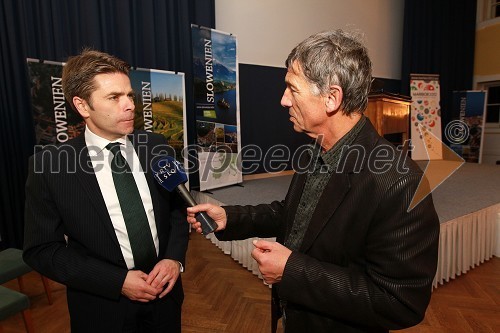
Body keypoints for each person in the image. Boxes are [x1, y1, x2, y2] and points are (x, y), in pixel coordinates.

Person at [187, 30, 440, 333]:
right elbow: (297, 215)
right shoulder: (315, 149)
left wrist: (291, 271)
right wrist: (232, 217)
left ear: (332, 98)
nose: (283, 101)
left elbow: (400, 302)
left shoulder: (399, 182)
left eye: (292, 89)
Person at [23, 49, 189, 332]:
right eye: (114, 97)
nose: (129, 106)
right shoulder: (50, 166)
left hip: (165, 296)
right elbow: (42, 249)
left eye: (129, 96)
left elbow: (177, 208)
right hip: (101, 307)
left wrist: (174, 259)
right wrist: (117, 282)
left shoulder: (155, 144)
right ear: (82, 105)